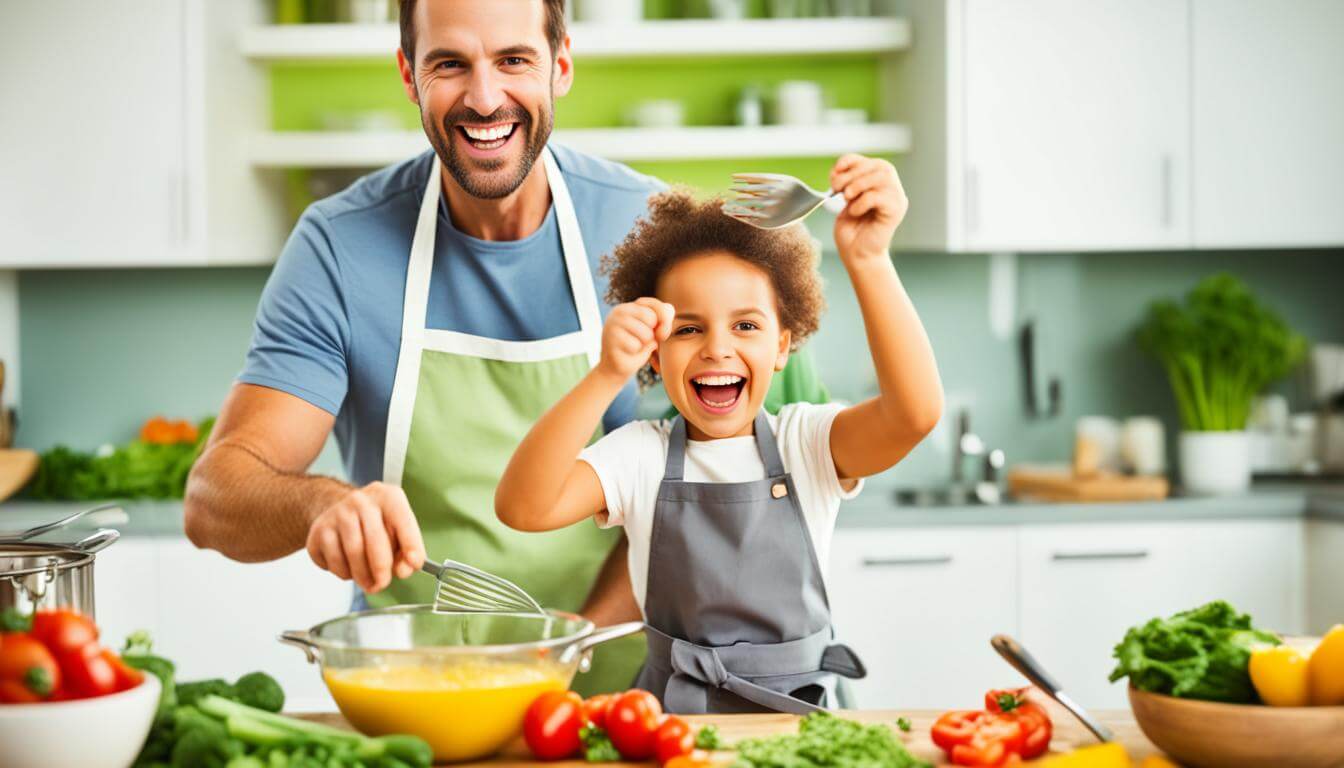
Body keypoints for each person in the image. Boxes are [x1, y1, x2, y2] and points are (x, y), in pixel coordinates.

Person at [183, 0, 828, 694]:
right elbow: (213, 500)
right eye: (450, 64)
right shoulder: (340, 248)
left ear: (562, 65)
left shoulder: (650, 237)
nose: (485, 98)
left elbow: (726, 480)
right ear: (409, 74)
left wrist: (561, 650)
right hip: (418, 692)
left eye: (514, 59)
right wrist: (319, 504)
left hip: (628, 697)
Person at [495, 155, 944, 713]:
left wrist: (870, 259)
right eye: (688, 328)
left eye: (746, 325)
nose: (717, 347)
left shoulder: (808, 445)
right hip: (672, 721)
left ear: (783, 345)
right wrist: (606, 374)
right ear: (655, 355)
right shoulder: (640, 455)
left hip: (798, 725)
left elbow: (915, 414)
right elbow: (523, 507)